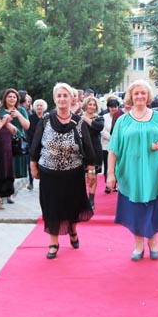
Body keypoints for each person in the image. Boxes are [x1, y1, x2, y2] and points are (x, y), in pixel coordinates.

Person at [107, 80, 158, 261]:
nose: (139, 96)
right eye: (136, 93)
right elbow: (113, 149)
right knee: (135, 209)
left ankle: (153, 242)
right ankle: (138, 245)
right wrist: (110, 174)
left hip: (155, 173)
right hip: (130, 173)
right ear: (131, 96)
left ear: (148, 96)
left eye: (143, 93)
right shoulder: (122, 120)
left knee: (153, 207)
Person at [30, 82, 95, 259]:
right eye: (59, 95)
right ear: (54, 99)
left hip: (73, 173)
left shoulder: (79, 121)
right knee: (52, 208)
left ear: (71, 98)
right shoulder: (46, 120)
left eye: (65, 95)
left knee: (72, 206)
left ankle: (72, 229)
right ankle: (53, 242)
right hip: (49, 173)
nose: (62, 99)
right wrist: (33, 165)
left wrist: (91, 171)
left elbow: (88, 147)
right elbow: (35, 144)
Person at [0, 88, 30, 203]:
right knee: (3, 167)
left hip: (17, 143)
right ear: (5, 98)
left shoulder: (21, 110)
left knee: (13, 169)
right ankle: (0, 193)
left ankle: (10, 193)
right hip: (3, 142)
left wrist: (19, 115)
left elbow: (27, 126)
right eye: (9, 97)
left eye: (14, 97)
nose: (12, 99)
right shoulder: (0, 109)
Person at [81, 95, 104, 209]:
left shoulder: (99, 118)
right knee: (79, 176)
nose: (92, 106)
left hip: (95, 150)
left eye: (94, 105)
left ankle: (91, 200)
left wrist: (86, 119)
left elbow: (99, 127)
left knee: (93, 176)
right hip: (81, 150)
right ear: (86, 105)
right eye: (90, 104)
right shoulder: (79, 117)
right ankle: (81, 199)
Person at [27, 98, 48, 191]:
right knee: (31, 162)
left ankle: (43, 182)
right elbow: (29, 131)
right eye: (37, 105)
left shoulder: (47, 118)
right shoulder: (31, 118)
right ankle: (31, 182)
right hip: (33, 143)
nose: (39, 107)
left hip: (45, 144)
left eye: (41, 105)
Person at [101, 96, 120, 193]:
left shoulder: (121, 117)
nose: (114, 109)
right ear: (108, 108)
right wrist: (113, 139)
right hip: (106, 146)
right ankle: (108, 185)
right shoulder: (104, 117)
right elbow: (102, 131)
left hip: (119, 146)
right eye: (112, 107)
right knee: (107, 166)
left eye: (115, 107)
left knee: (117, 166)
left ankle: (116, 184)